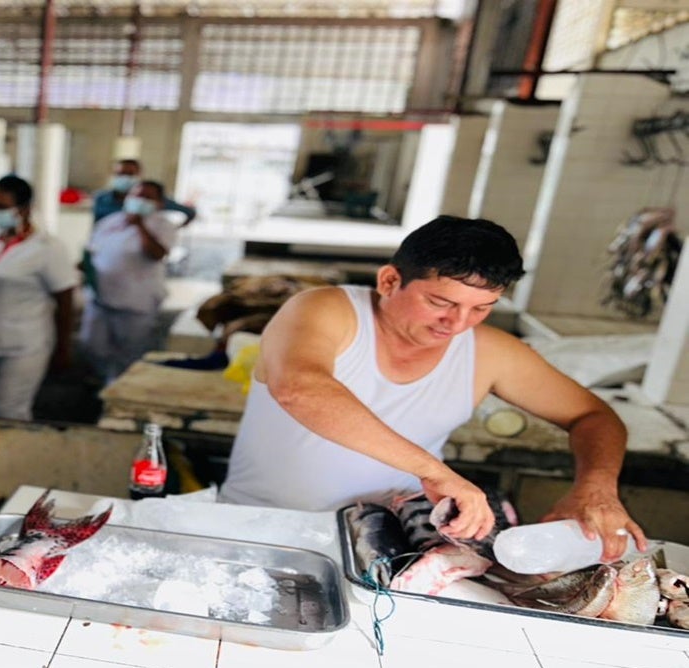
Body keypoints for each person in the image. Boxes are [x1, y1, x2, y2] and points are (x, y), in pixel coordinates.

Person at [219, 216, 647, 560]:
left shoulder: (491, 352)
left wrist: (597, 487)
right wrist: (435, 471)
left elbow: (593, 415)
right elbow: (300, 389)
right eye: (440, 303)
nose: (456, 324)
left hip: (391, 545)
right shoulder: (325, 310)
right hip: (259, 529)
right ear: (389, 281)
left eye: (481, 308)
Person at [0, 175, 77, 421]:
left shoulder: (46, 248)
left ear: (23, 209)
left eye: (0, 207)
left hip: (25, 344)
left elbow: (65, 299)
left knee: (10, 410)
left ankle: (12, 458)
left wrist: (63, 348)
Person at [80, 180, 180, 384]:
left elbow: (157, 254)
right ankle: (103, 380)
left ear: (159, 203)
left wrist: (139, 225)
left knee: (129, 353)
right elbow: (92, 250)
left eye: (147, 197)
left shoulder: (164, 225)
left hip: (136, 303)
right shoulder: (110, 222)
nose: (139, 200)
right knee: (92, 345)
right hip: (101, 297)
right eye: (135, 196)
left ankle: (118, 389)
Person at [91, 158, 197, 226]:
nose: (125, 178)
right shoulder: (100, 198)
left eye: (130, 174)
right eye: (120, 174)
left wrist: (174, 229)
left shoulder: (152, 201)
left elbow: (189, 212)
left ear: (139, 175)